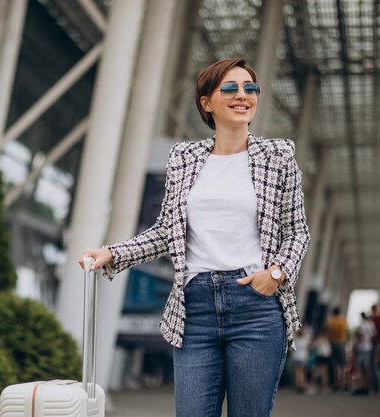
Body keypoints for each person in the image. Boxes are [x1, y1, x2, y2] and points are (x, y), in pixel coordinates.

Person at [79, 58, 310, 417]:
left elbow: (297, 232)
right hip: (195, 307)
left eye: (250, 88)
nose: (242, 95)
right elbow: (165, 233)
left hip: (256, 306)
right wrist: (112, 253)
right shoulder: (183, 158)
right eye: (230, 88)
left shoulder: (278, 155)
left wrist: (276, 274)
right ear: (206, 102)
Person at [324, 307, 348, 390]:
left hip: (332, 344)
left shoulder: (330, 323)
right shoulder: (343, 322)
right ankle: (343, 383)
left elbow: (326, 332)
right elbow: (346, 332)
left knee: (335, 364)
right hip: (341, 343)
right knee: (343, 364)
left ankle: (336, 383)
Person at [353, 312, 377, 394]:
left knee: (359, 369)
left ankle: (360, 386)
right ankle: (367, 387)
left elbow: (360, 336)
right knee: (367, 369)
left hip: (361, 349)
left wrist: (355, 346)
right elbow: (374, 336)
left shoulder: (363, 325)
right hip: (369, 348)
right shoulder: (371, 324)